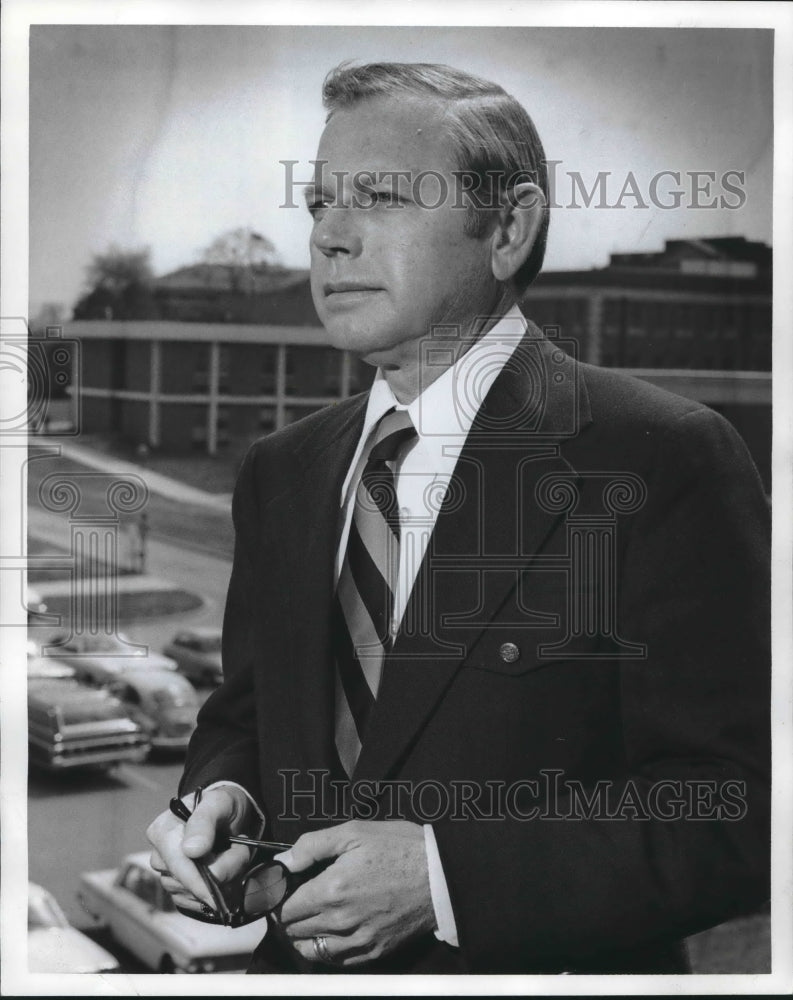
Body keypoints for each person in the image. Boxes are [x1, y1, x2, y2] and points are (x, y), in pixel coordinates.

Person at [146, 62, 770, 974]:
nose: (328, 236)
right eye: (319, 201)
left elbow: (737, 809)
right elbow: (244, 709)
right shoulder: (281, 471)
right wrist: (228, 796)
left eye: (381, 196)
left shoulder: (661, 456)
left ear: (507, 227)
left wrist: (445, 879)